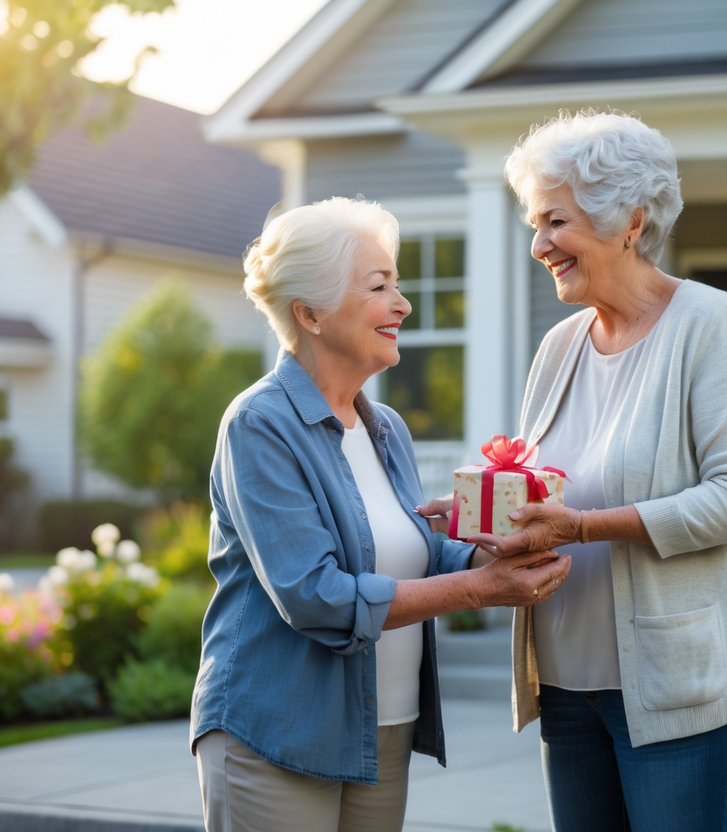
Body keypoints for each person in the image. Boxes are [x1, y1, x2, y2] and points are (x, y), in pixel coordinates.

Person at [189, 196, 570, 832]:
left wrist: (499, 545)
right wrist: (478, 590)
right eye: (379, 286)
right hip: (278, 732)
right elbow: (316, 595)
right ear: (309, 313)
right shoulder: (259, 425)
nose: (403, 305)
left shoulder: (383, 426)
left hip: (380, 728)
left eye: (397, 284)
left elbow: (416, 550)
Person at [478, 110, 727, 831]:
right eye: (534, 222)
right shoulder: (560, 345)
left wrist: (583, 526)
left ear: (629, 221)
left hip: (679, 683)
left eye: (555, 221)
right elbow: (545, 483)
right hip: (563, 680)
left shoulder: (709, 323)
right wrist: (490, 514)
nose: (538, 244)